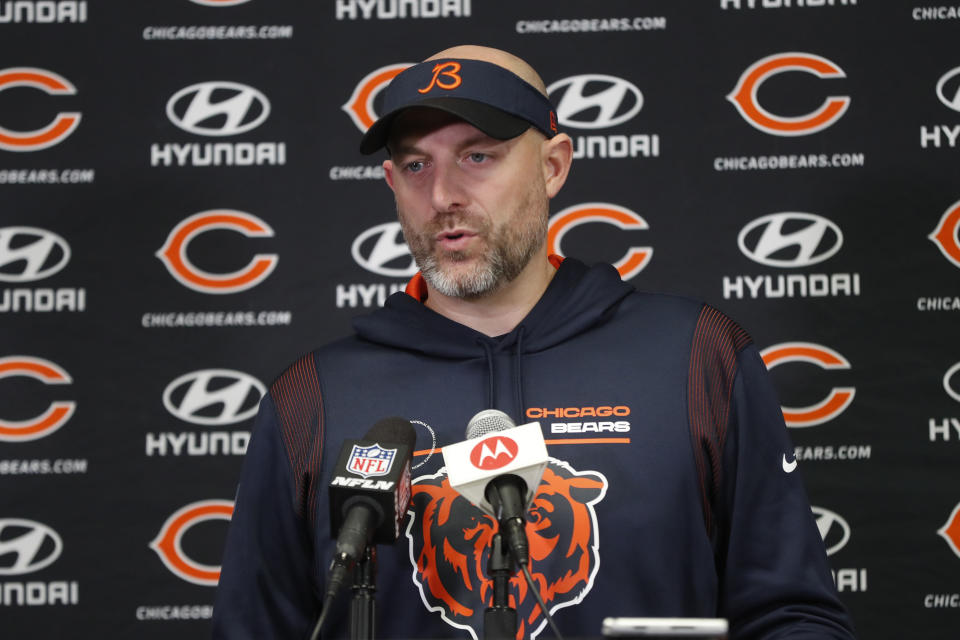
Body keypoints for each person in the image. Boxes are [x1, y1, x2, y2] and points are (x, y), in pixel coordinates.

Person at [212, 45, 857, 639]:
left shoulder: (695, 355)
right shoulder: (314, 394)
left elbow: (790, 613)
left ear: (553, 166)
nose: (442, 196)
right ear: (391, 185)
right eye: (416, 164)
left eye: (478, 156)